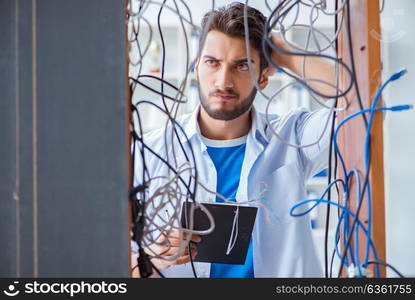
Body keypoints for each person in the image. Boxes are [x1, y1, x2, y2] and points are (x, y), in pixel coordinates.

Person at [132, 2, 336, 278]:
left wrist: (286, 54)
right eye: (212, 62)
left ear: (263, 77)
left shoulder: (292, 137)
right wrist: (152, 258)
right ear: (196, 67)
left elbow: (361, 106)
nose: (223, 81)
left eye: (242, 65)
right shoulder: (150, 151)